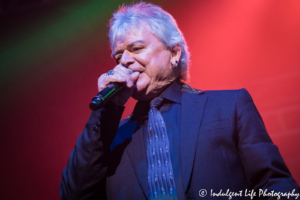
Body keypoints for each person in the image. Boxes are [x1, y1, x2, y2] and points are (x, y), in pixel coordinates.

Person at [60, 2, 299, 200]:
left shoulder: (228, 106)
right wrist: (107, 110)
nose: (125, 61)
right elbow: (73, 194)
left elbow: (275, 184)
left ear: (174, 53)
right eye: (118, 56)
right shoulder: (110, 136)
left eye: (136, 48)